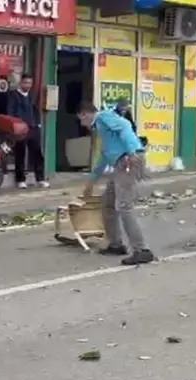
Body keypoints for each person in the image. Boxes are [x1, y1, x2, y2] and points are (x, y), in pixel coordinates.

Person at [78, 101, 156, 265]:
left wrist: (131, 151)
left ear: (85, 114)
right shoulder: (102, 128)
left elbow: (125, 126)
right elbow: (106, 155)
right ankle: (116, 243)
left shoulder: (103, 117)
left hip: (127, 160)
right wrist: (91, 181)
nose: (82, 124)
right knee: (107, 202)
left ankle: (142, 250)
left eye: (81, 119)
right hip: (120, 162)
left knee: (124, 205)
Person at [7, 74, 48, 189]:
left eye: (30, 83)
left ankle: (40, 178)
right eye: (25, 83)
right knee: (20, 153)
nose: (28, 85)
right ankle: (20, 180)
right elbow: (10, 112)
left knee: (37, 153)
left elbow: (36, 110)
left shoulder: (31, 96)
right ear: (20, 83)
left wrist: (38, 124)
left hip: (32, 128)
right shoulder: (13, 95)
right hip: (20, 128)